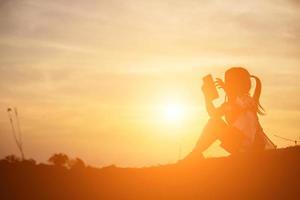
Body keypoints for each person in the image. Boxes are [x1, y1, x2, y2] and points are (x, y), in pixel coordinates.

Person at [183, 67, 276, 161]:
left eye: (228, 82)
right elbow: (215, 113)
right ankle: (196, 153)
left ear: (236, 84)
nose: (225, 84)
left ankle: (196, 153)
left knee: (214, 123)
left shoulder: (242, 102)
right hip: (245, 145)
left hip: (245, 147)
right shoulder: (243, 101)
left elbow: (214, 115)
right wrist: (208, 96)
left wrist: (209, 96)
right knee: (214, 122)